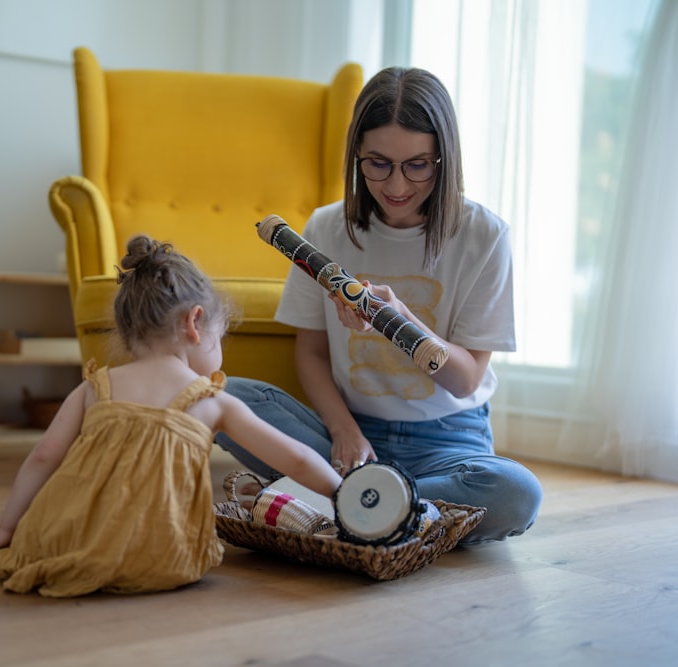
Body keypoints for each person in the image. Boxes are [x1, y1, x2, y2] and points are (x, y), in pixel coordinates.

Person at [216, 66, 543, 544]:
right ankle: (392, 512)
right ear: (357, 156)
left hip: (448, 442)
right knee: (222, 398)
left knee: (515, 494)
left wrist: (399, 320)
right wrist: (344, 430)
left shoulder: (484, 236)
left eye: (417, 164)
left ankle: (336, 503)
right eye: (378, 163)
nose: (396, 185)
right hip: (349, 435)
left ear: (444, 159)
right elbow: (310, 354)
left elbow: (464, 378)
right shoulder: (327, 227)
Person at [0, 235, 342, 596]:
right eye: (219, 337)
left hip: (69, 538)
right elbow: (297, 459)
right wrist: (345, 497)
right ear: (194, 323)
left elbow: (43, 457)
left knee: (53, 532)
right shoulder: (211, 401)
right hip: (163, 555)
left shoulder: (94, 386)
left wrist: (7, 529)